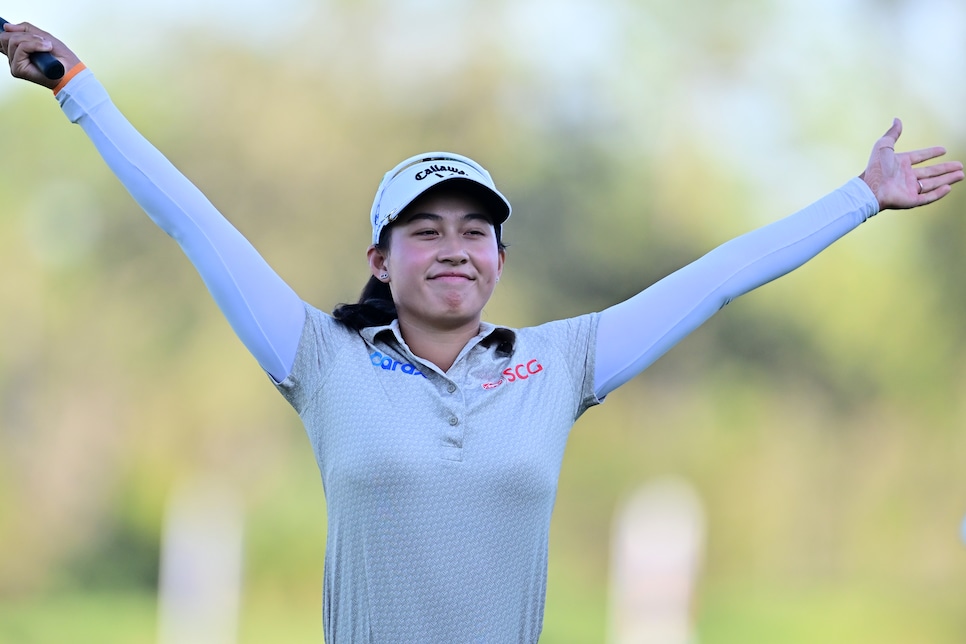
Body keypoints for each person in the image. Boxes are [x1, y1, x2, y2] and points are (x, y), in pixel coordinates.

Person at [2, 20, 962, 644]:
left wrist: (859, 199)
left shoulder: (560, 362)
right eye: (425, 231)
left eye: (476, 231)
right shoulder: (321, 359)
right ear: (381, 260)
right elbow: (193, 222)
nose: (453, 249)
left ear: (501, 261)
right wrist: (77, 87)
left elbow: (711, 282)